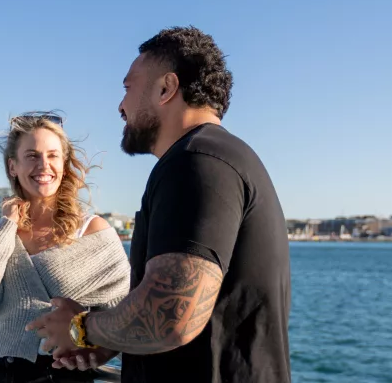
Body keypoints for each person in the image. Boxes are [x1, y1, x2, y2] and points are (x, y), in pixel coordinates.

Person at [27, 27, 291, 383]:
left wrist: (81, 329)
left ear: (166, 88)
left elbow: (171, 315)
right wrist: (109, 342)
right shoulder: (217, 158)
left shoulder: (198, 163)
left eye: (127, 87)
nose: (120, 106)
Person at [0, 112, 130, 383]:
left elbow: (126, 311)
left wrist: (101, 351)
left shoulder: (93, 231)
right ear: (13, 166)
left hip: (60, 375)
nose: (43, 165)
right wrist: (8, 223)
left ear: (64, 163)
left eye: (53, 155)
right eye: (32, 155)